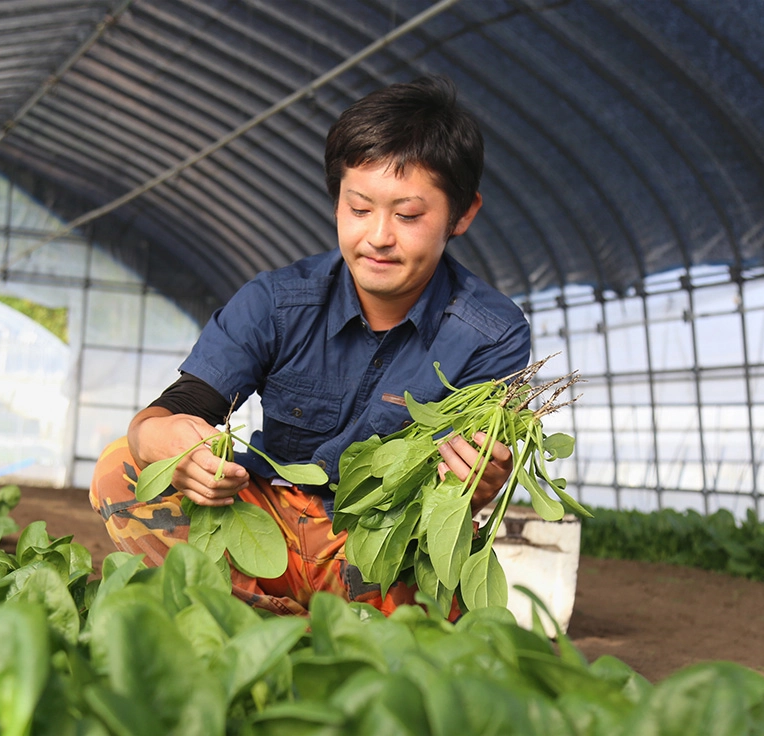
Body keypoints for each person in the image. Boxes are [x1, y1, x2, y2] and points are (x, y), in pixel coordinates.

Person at [90, 76, 530, 617]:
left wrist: (475, 486)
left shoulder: (491, 332)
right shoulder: (278, 301)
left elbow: (463, 486)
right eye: (359, 208)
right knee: (121, 465)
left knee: (437, 606)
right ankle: (271, 623)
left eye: (409, 215)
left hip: (375, 542)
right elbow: (172, 412)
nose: (378, 236)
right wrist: (165, 441)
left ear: (462, 214)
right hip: (265, 520)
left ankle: (262, 629)